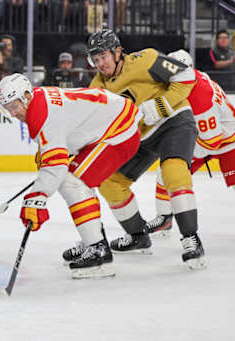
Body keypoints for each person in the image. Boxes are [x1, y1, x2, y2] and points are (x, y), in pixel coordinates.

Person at [0, 73, 142, 278]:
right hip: (112, 125)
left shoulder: (41, 114)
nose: (12, 113)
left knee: (72, 181)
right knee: (78, 179)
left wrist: (36, 198)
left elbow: (55, 167)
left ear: (27, 96)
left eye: (14, 106)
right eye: (7, 108)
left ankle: (98, 250)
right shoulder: (39, 101)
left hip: (119, 133)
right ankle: (92, 238)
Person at [83, 29, 206, 270]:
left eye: (103, 57)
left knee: (173, 171)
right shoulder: (97, 86)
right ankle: (138, 236)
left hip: (174, 122)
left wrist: (161, 104)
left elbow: (186, 75)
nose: (100, 64)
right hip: (140, 138)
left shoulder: (146, 59)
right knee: (110, 183)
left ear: (118, 52)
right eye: (94, 59)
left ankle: (191, 238)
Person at [146, 50, 235, 238]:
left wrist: (180, 152)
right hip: (207, 135)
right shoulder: (188, 81)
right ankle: (164, 219)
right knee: (166, 170)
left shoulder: (200, 96)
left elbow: (212, 142)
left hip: (228, 140)